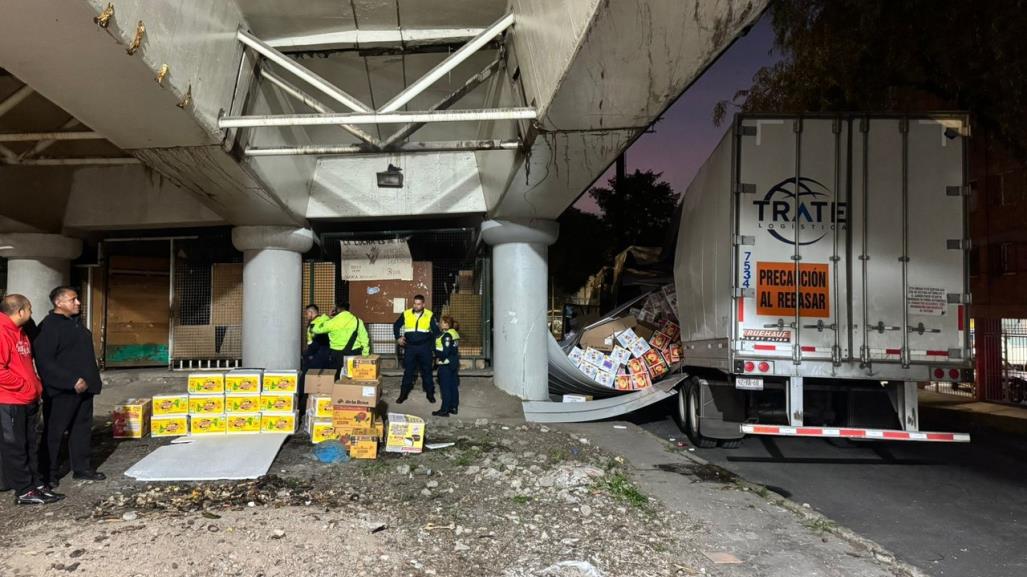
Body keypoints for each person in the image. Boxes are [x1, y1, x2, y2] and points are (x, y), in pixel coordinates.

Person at [34, 286, 105, 486]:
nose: (78, 303)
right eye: (73, 300)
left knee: (81, 428)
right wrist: (70, 380)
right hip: (62, 390)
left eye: (77, 299)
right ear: (59, 303)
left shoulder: (75, 323)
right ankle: (47, 473)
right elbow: (45, 361)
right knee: (54, 432)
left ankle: (81, 468)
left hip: (85, 387)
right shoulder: (49, 326)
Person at [0, 295, 63, 504]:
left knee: (30, 445)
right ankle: (24, 490)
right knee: (16, 447)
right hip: (10, 401)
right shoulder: (2, 332)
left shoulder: (21, 332)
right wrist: (25, 386)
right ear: (20, 312)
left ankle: (36, 484)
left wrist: (34, 385)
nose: (31, 313)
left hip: (27, 399)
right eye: (29, 309)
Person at [393, 294, 439, 404]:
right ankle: (403, 395)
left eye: (418, 304)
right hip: (410, 347)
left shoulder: (429, 315)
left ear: (423, 304)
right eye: (415, 303)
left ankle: (430, 394)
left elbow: (436, 332)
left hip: (425, 347)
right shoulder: (406, 313)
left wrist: (434, 349)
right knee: (408, 372)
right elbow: (396, 325)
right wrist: (398, 337)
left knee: (427, 372)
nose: (416, 306)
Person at [313, 302, 369, 379]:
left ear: (336, 309)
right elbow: (364, 338)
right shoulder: (357, 320)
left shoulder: (332, 322)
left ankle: (339, 390)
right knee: (354, 377)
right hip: (354, 352)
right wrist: (365, 354)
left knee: (337, 378)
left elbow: (316, 329)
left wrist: (324, 317)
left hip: (336, 354)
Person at [432, 315, 461, 417]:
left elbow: (445, 351)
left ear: (446, 324)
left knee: (445, 388)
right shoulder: (454, 333)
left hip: (445, 364)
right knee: (453, 386)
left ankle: (444, 410)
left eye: (441, 322)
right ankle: (453, 407)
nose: (440, 324)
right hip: (453, 363)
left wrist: (438, 358)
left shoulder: (447, 336)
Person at [302, 305, 331, 370]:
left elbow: (313, 343)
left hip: (317, 354)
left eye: (307, 314)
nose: (306, 316)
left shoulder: (313, 325)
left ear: (311, 312)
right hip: (328, 352)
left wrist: (308, 354)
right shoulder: (326, 320)